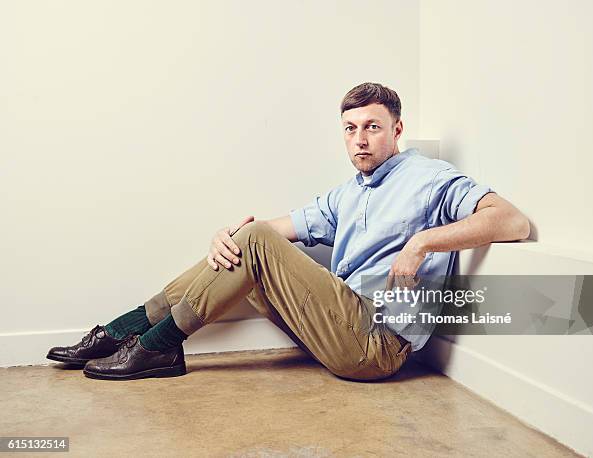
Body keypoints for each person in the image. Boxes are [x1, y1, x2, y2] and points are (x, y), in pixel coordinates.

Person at [46, 82, 530, 381]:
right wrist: (225, 234)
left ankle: (156, 346)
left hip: (376, 344)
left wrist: (422, 241)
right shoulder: (350, 192)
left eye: (372, 127)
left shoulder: (427, 177)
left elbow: (512, 221)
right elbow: (271, 230)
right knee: (249, 238)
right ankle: (122, 332)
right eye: (349, 128)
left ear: (397, 130)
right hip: (337, 329)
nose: (359, 139)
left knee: (255, 241)